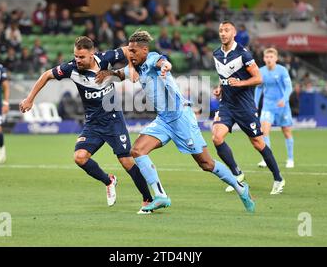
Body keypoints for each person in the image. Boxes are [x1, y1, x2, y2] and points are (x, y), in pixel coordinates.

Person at [96, 30, 255, 213]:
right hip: (164, 120)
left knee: (206, 163)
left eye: (133, 51)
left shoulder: (152, 59)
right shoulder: (137, 67)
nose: (130, 55)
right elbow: (120, 74)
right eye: (129, 51)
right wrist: (105, 74)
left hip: (180, 117)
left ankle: (241, 188)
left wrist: (166, 66)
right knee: (137, 151)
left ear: (144, 50)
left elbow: (162, 61)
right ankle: (161, 196)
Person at [19, 36, 156, 213]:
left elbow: (128, 50)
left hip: (113, 119)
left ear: (92, 54)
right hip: (93, 123)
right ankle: (109, 181)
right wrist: (30, 99)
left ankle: (147, 199)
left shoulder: (105, 58)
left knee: (126, 160)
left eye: (81, 57)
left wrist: (131, 67)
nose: (77, 60)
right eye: (76, 56)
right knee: (80, 157)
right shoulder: (71, 69)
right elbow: (46, 75)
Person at [211, 21, 285, 195]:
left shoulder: (243, 54)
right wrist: (220, 88)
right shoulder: (216, 54)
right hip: (227, 105)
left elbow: (258, 78)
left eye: (226, 30)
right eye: (221, 30)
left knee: (258, 143)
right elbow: (225, 76)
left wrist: (240, 83)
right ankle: (237, 175)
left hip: (244, 106)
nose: (223, 33)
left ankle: (278, 178)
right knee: (216, 137)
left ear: (234, 33)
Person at [255, 48, 295, 169]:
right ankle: (266, 159)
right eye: (266, 57)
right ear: (263, 58)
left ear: (276, 59)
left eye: (271, 57)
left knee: (287, 132)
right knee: (264, 131)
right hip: (268, 106)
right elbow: (259, 88)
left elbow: (289, 87)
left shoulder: (282, 70)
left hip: (282, 106)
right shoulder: (261, 71)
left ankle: (290, 159)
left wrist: (285, 99)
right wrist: (255, 103)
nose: (269, 59)